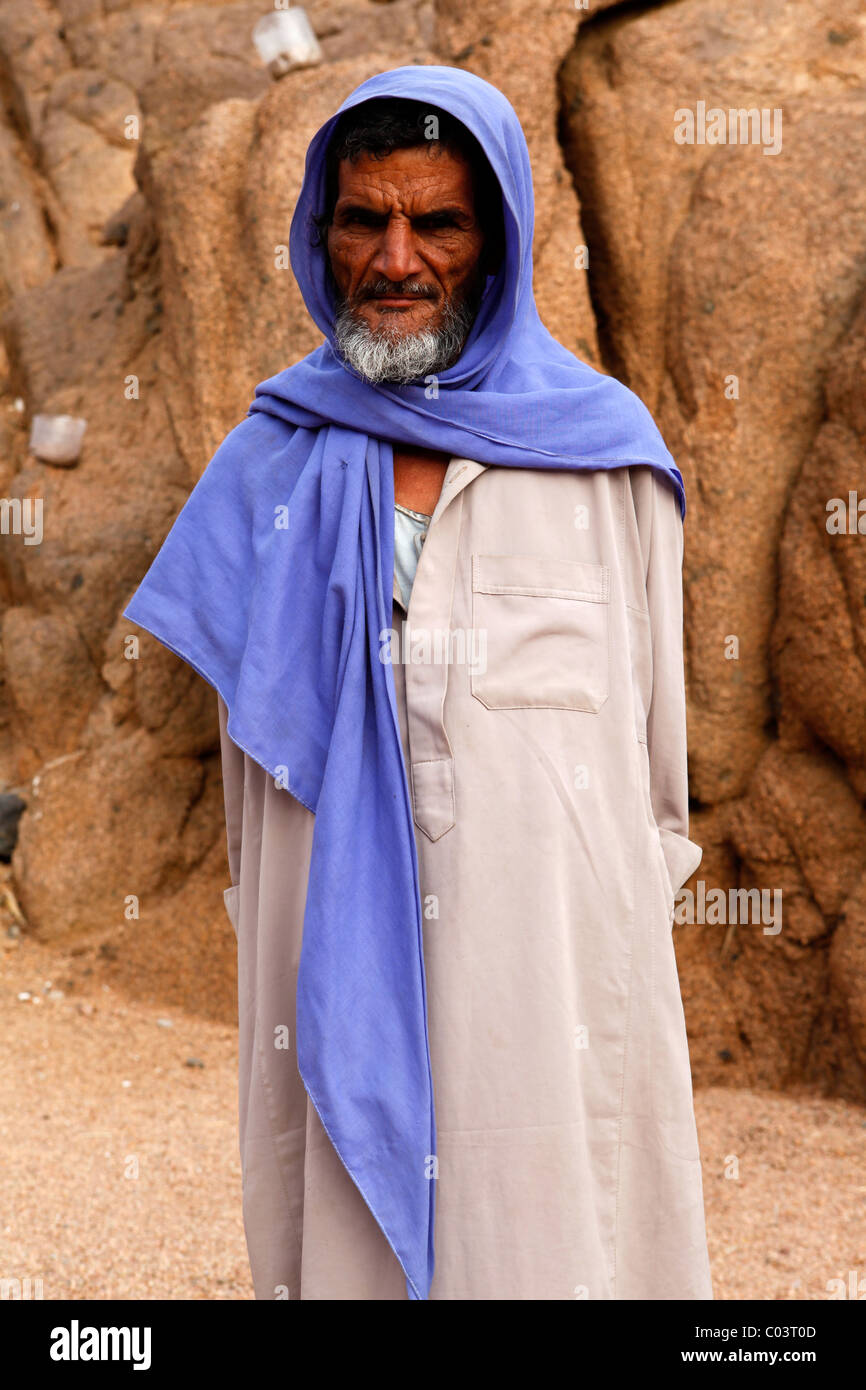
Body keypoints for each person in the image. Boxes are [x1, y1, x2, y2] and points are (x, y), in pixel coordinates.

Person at [124, 64, 713, 1301]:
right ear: (319, 233)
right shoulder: (267, 466)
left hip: (546, 989)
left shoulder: (608, 468)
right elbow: (253, 798)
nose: (395, 260)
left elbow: (658, 793)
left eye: (435, 222)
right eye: (362, 220)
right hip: (331, 973)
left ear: (493, 242)